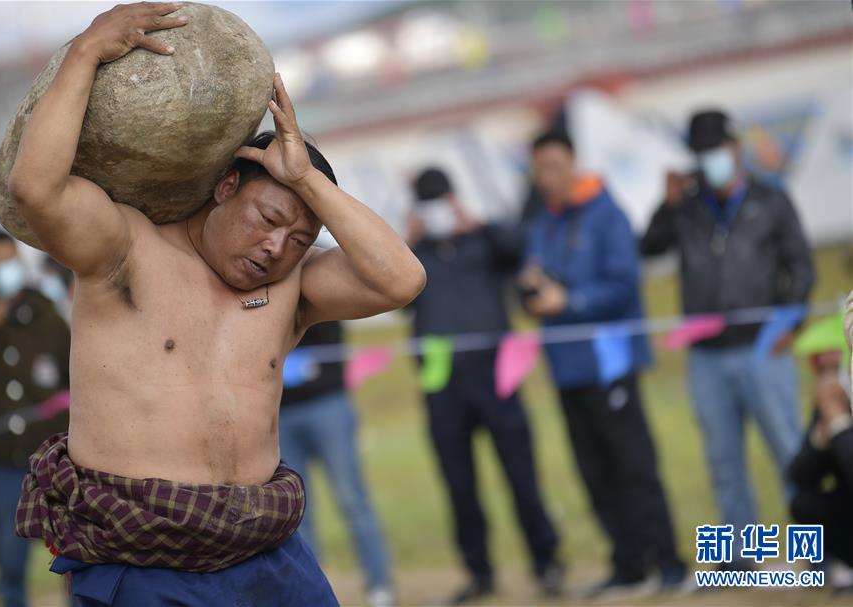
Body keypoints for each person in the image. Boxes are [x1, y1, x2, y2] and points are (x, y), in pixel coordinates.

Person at [6, 3, 425, 605]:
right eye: (269, 218)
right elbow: (36, 188)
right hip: (146, 561)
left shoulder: (291, 289)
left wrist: (306, 181)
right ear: (227, 184)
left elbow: (401, 281)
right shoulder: (125, 251)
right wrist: (88, 51)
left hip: (266, 552)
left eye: (301, 240)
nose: (277, 247)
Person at [640, 109, 814, 567]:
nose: (708, 160)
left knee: (790, 453)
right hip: (707, 355)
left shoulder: (770, 200)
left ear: (735, 148)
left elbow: (801, 265)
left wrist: (789, 325)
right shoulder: (688, 207)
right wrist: (668, 203)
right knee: (724, 461)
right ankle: (740, 558)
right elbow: (649, 248)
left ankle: (816, 555)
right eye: (700, 153)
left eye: (714, 150)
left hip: (764, 346)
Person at [519, 129, 688, 600]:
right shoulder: (540, 224)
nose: (547, 178)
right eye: (539, 170)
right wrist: (530, 290)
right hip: (566, 368)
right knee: (592, 470)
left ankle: (668, 562)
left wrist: (568, 300)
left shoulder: (607, 214)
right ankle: (628, 564)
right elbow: (530, 288)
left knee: (634, 464)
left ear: (574, 162)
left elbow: (623, 285)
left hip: (610, 363)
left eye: (554, 166)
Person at [407, 167, 563, 605]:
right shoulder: (414, 254)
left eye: (441, 203)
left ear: (454, 200)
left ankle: (546, 561)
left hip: (496, 374)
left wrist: (477, 223)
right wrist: (405, 242)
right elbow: (393, 295)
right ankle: (479, 572)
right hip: (442, 381)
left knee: (521, 475)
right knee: (459, 484)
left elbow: (520, 249)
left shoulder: (484, 240)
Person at [0, 229, 71, 607]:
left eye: (8, 263)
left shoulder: (48, 315)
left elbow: (77, 374)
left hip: (53, 465)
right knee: (10, 563)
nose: (3, 273)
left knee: (74, 556)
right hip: (1, 468)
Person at [279, 321, 395, 607]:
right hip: (281, 412)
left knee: (352, 500)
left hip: (328, 403)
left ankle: (379, 585)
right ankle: (310, 591)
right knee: (298, 513)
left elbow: (328, 333)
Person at [789, 348, 853, 579]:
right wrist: (823, 435)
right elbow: (800, 475)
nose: (824, 359)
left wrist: (839, 424)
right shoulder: (834, 400)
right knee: (804, 504)